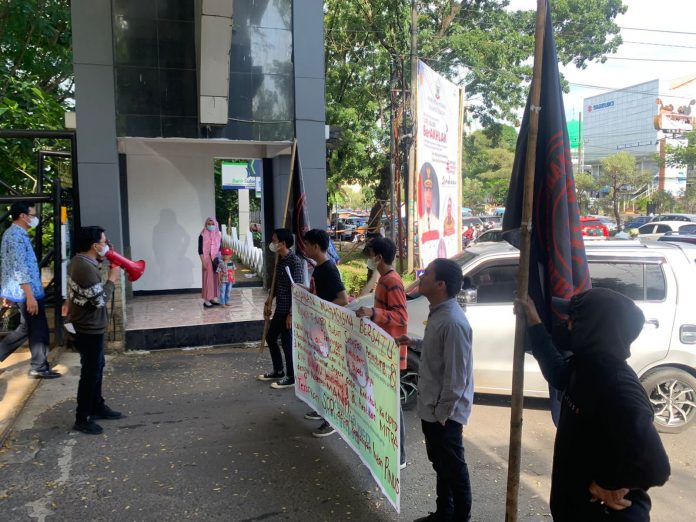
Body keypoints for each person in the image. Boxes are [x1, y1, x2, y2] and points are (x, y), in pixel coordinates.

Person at [514, 289, 670, 522]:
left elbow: (655, 466)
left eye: (574, 320)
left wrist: (607, 485)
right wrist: (534, 322)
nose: (567, 323)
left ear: (594, 329)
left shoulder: (618, 387)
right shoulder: (586, 366)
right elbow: (558, 374)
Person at [397, 258, 473, 522]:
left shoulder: (453, 322)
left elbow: (457, 379)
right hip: (433, 409)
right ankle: (444, 513)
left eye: (427, 273)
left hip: (445, 414)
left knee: (454, 468)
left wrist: (442, 415)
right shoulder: (438, 312)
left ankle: (460, 518)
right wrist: (414, 340)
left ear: (440, 284)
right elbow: (438, 350)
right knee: (441, 465)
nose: (421, 276)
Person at [355, 237, 408, 469]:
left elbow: (401, 316)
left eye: (370, 254)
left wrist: (373, 312)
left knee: (392, 406)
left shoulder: (392, 281)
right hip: (382, 351)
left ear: (379, 257)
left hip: (391, 352)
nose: (369, 259)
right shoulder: (385, 279)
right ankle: (388, 449)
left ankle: (400, 456)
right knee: (385, 403)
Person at [67, 226, 124, 434]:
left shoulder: (81, 261)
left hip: (90, 325)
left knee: (97, 368)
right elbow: (99, 299)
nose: (107, 246)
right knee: (90, 373)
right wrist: (112, 279)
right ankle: (82, 418)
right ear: (94, 246)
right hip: (88, 327)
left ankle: (97, 406)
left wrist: (104, 259)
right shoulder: (84, 268)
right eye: (104, 242)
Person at [0, 202, 60, 378]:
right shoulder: (16, 236)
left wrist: (9, 293)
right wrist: (29, 296)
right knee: (39, 329)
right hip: (27, 292)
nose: (35, 218)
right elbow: (19, 268)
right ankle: (39, 367)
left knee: (26, 328)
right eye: (32, 215)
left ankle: (38, 365)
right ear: (23, 216)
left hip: (20, 291)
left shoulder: (12, 234)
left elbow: (8, 265)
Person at [302, 228, 348, 437]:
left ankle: (331, 420)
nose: (304, 248)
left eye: (307, 244)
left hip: (327, 331)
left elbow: (343, 299)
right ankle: (322, 409)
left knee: (328, 375)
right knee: (319, 371)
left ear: (316, 246)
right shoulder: (319, 268)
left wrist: (321, 307)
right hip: (318, 329)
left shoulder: (328, 269)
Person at [258, 229, 304, 389]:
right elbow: (276, 286)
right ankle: (278, 370)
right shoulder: (279, 260)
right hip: (280, 308)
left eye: (274, 240)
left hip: (288, 311)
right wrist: (268, 301)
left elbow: (297, 290)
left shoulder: (294, 261)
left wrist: (292, 314)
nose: (272, 243)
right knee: (271, 338)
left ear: (283, 243)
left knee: (286, 342)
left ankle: (291, 377)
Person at [198, 216, 221, 308]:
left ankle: (212, 298)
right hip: (206, 259)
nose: (211, 225)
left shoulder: (218, 234)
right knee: (207, 279)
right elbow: (200, 250)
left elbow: (219, 248)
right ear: (206, 224)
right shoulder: (202, 234)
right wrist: (203, 262)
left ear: (216, 224)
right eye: (209, 224)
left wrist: (220, 260)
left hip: (216, 259)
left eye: (212, 224)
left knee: (215, 279)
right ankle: (206, 300)